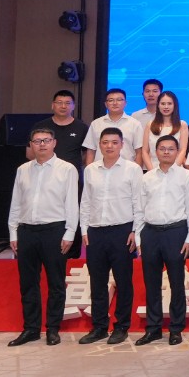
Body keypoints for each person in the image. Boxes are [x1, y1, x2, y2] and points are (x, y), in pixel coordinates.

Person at [7, 127, 80, 346]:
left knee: (56, 283)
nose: (41, 144)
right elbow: (16, 203)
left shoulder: (67, 169)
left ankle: (53, 328)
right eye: (37, 141)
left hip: (54, 231)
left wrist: (70, 232)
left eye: (46, 140)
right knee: (28, 283)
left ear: (54, 143)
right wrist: (13, 232)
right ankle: (31, 328)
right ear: (31, 144)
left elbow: (72, 203)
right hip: (26, 231)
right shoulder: (23, 170)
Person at [76, 127, 144, 346]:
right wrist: (84, 230)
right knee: (97, 282)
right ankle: (99, 326)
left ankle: (121, 326)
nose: (109, 146)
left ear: (122, 145)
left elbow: (138, 202)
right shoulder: (90, 170)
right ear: (99, 145)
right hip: (95, 231)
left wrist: (136, 231)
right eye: (105, 142)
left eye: (114, 142)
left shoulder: (132, 169)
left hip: (122, 231)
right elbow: (86, 202)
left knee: (123, 281)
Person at [136, 135, 189, 346]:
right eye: (162, 148)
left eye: (171, 149)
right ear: (156, 151)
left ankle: (176, 328)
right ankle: (153, 328)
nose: (166, 152)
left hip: (176, 232)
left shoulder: (186, 176)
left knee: (176, 282)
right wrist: (139, 237)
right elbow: (139, 209)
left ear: (178, 152)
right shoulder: (146, 177)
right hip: (150, 233)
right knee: (151, 282)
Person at [29, 89, 87, 173]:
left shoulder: (82, 127)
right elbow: (30, 151)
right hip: (44, 172)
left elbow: (87, 153)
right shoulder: (40, 126)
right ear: (53, 105)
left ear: (73, 106)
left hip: (73, 173)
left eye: (68, 103)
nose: (63, 106)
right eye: (59, 103)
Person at [82, 88, 144, 167]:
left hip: (126, 170)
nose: (115, 103)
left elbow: (139, 152)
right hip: (100, 169)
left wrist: (137, 171)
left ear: (125, 103)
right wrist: (89, 170)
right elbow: (91, 150)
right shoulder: (96, 124)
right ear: (106, 104)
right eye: (111, 100)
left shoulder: (135, 124)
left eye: (119, 100)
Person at [140, 91, 189, 169]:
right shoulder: (150, 125)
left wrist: (173, 170)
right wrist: (152, 171)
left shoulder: (182, 125)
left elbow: (182, 150)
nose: (166, 107)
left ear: (174, 105)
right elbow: (145, 151)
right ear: (158, 105)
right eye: (163, 104)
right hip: (153, 169)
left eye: (169, 104)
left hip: (176, 169)